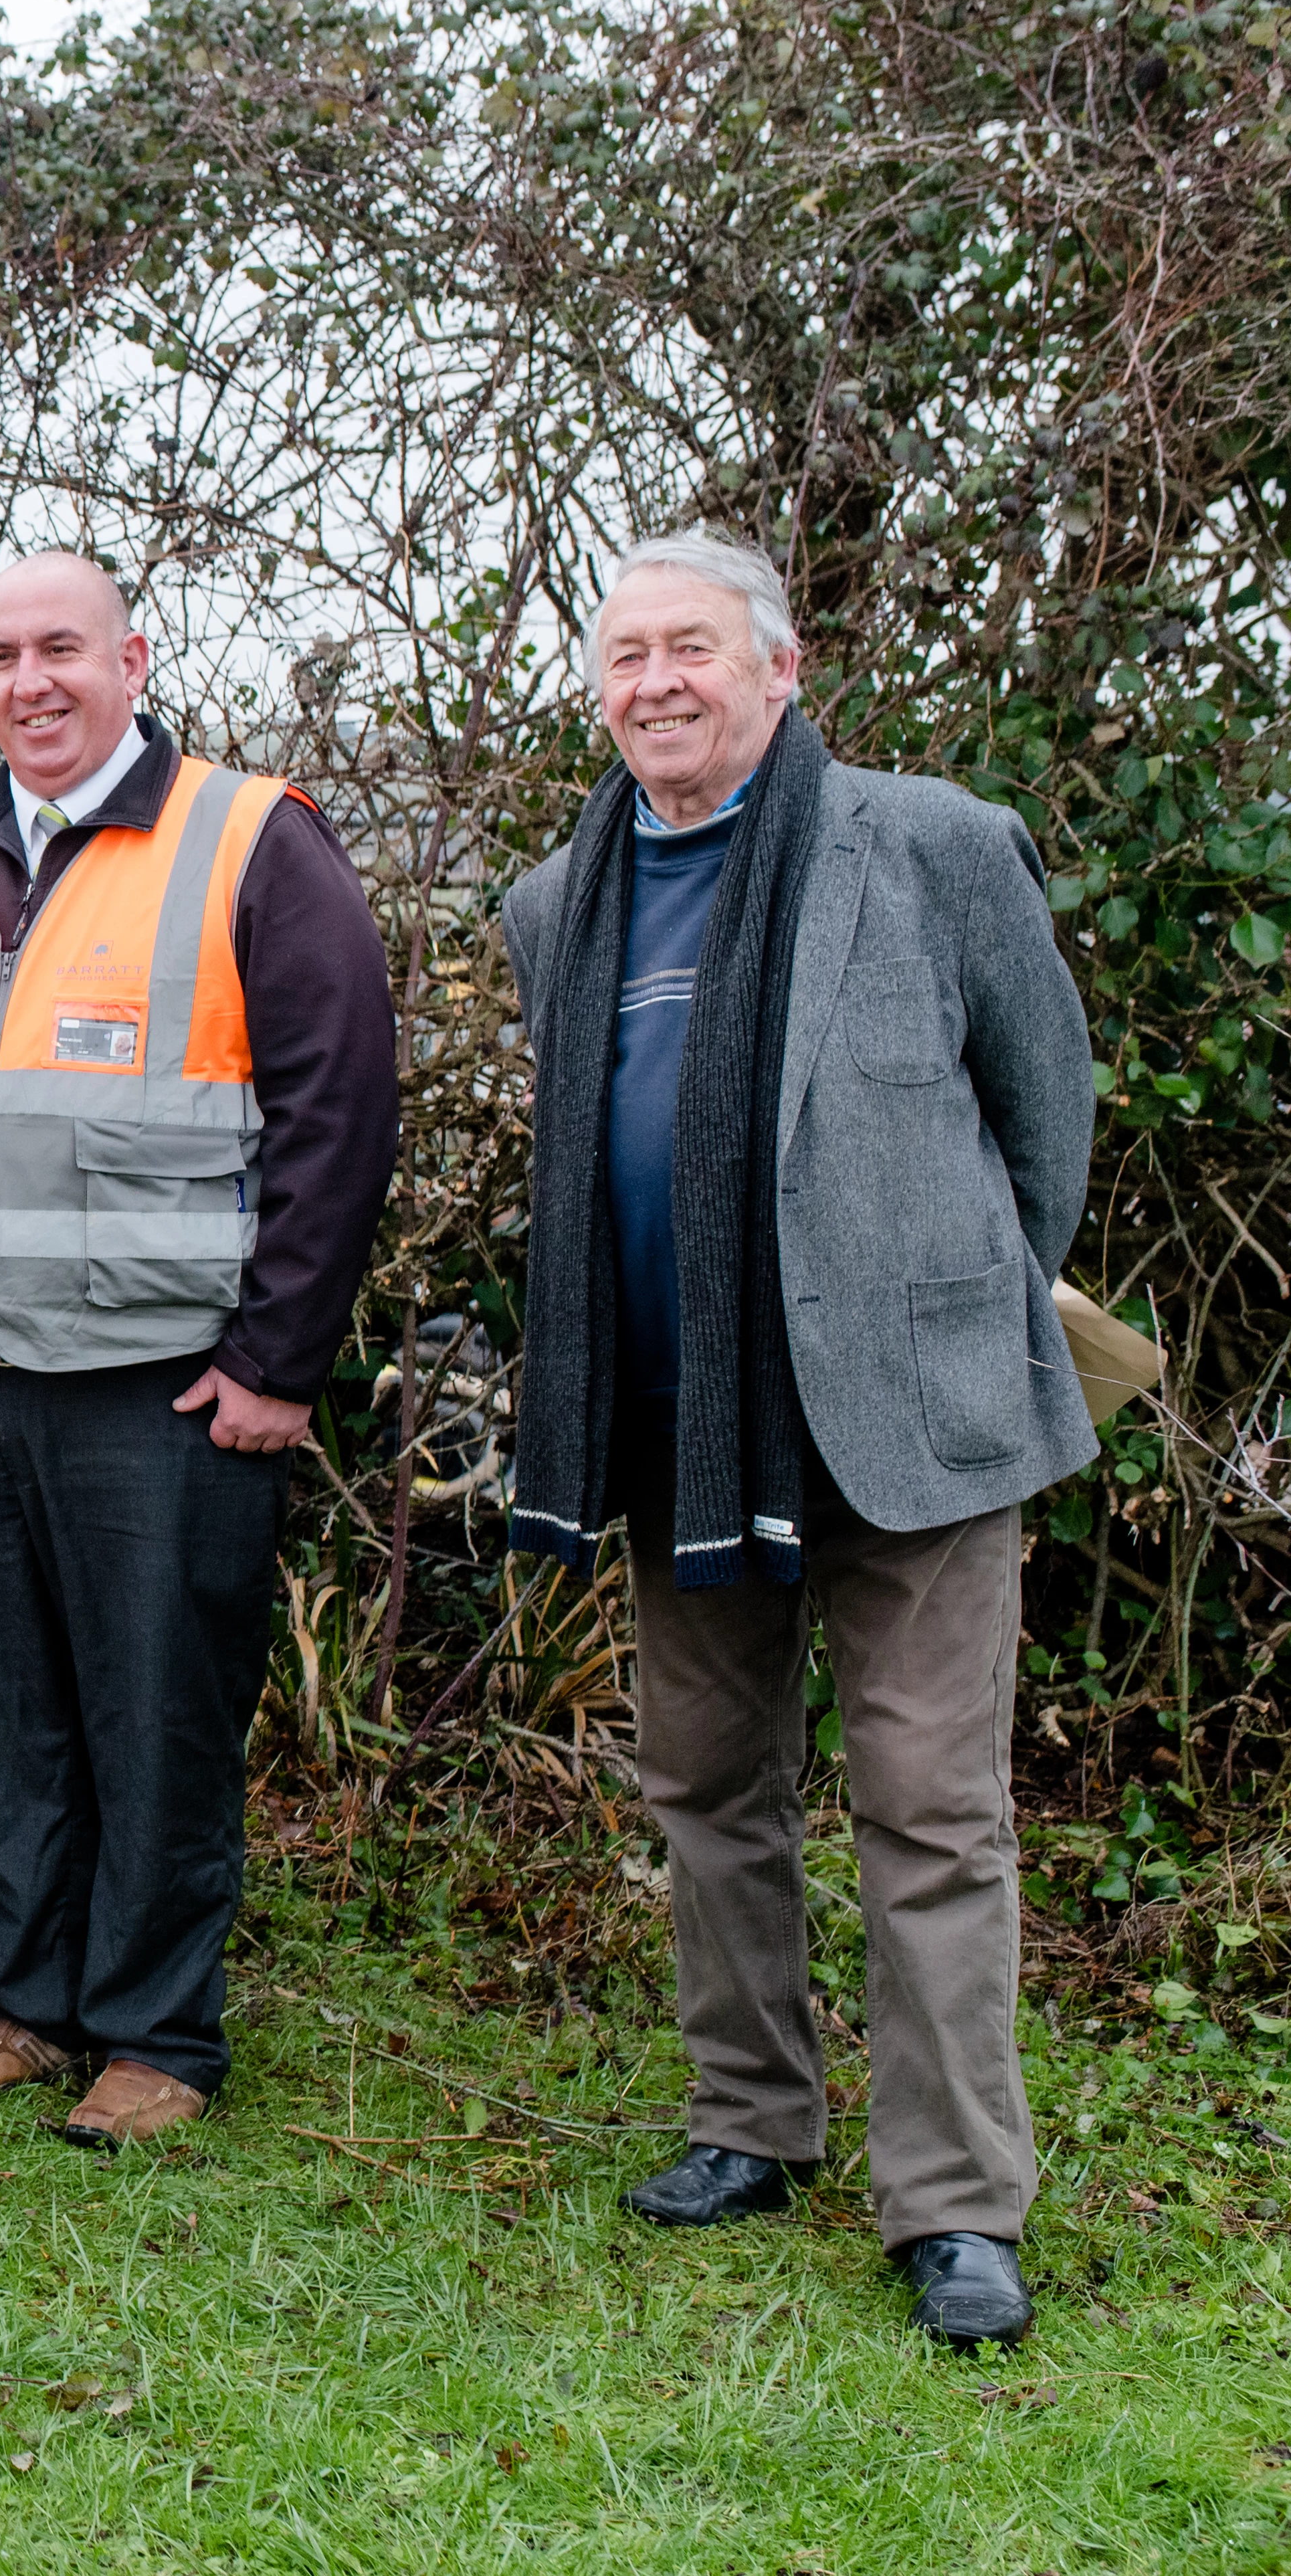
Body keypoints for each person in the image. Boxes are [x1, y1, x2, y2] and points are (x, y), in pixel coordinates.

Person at [504, 529, 1094, 2349]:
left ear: (781, 665)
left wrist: (929, 1308)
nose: (656, 685)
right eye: (625, 658)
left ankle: (955, 2206)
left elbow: (1043, 1116)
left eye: (692, 647)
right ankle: (751, 2120)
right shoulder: (557, 904)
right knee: (704, 1785)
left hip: (911, 1427)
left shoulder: (930, 848)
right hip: (682, 1431)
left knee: (928, 1810)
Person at [0, 551, 397, 2147]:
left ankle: (155, 2031)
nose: (28, 681)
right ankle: (28, 2000)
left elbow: (339, 1112)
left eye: (58, 648)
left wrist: (280, 1355)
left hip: (165, 1377)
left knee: (157, 1711)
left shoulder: (247, 841)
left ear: (131, 659)